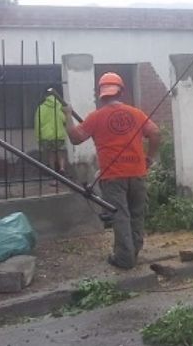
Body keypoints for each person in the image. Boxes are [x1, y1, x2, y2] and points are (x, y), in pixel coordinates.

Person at [63, 72, 161, 269]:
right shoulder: (136, 113)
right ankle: (133, 252)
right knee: (136, 214)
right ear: (121, 91)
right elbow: (156, 133)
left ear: (101, 93)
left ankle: (124, 259)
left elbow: (75, 137)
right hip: (137, 172)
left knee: (121, 216)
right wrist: (149, 158)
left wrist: (67, 116)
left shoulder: (96, 117)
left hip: (113, 176)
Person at [34, 89, 67, 185]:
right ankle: (62, 168)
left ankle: (53, 173)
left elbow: (37, 123)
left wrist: (38, 137)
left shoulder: (41, 108)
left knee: (50, 155)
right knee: (60, 153)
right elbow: (64, 119)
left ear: (45, 97)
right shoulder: (60, 106)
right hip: (59, 134)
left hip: (46, 136)